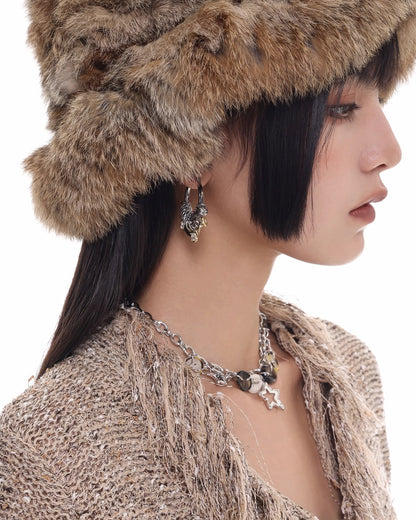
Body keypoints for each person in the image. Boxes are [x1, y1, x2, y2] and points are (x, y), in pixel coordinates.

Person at [1, 1, 415, 519]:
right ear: (189, 145)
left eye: (380, 99)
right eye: (341, 108)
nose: (389, 149)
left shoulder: (347, 378)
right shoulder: (52, 453)